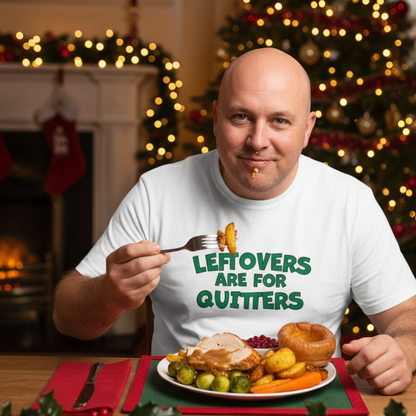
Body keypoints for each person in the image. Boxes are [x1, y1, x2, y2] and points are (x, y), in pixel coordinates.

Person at [53, 48, 416, 395]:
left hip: (308, 398)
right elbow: (67, 318)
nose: (258, 141)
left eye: (279, 121)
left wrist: (405, 349)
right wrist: (108, 293)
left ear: (307, 130)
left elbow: (406, 316)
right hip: (187, 397)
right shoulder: (158, 191)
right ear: (215, 117)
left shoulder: (348, 201)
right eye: (240, 117)